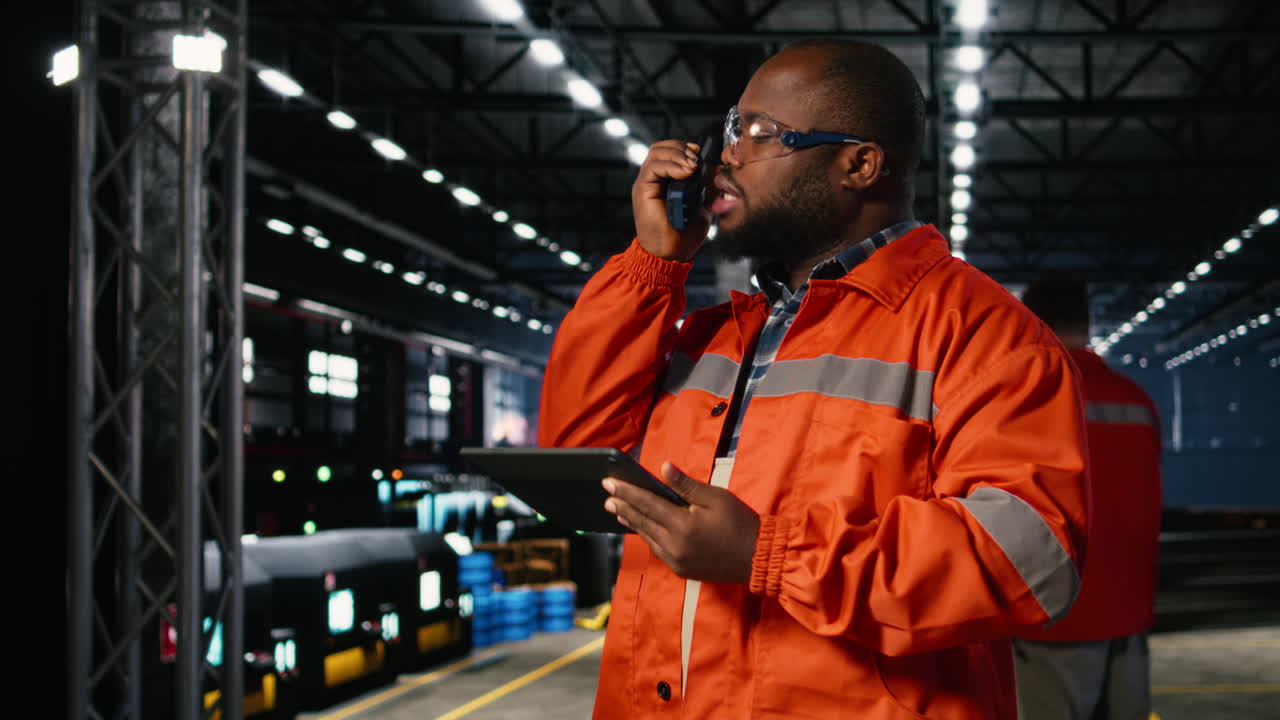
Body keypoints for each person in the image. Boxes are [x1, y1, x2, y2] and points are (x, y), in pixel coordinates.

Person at [539, 38, 1090, 719]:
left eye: (761, 133)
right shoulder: (714, 334)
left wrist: (769, 556)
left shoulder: (984, 334)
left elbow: (1030, 563)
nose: (726, 155)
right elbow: (577, 456)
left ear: (858, 164)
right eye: (732, 128)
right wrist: (652, 266)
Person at [1014, 272, 1163, 720]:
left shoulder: (1029, 401)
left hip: (1055, 620)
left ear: (1029, 321)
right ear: (1086, 322)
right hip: (1129, 613)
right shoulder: (1136, 401)